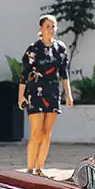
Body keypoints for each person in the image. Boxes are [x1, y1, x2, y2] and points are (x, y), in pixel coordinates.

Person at [18, 14, 72, 175]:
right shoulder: (33, 49)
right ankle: (29, 169)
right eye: (47, 26)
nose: (51, 29)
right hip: (35, 92)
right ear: (41, 29)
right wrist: (20, 96)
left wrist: (68, 94)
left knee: (46, 132)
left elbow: (64, 73)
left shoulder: (60, 48)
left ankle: (39, 168)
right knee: (36, 131)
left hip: (53, 92)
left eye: (53, 26)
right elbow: (24, 74)